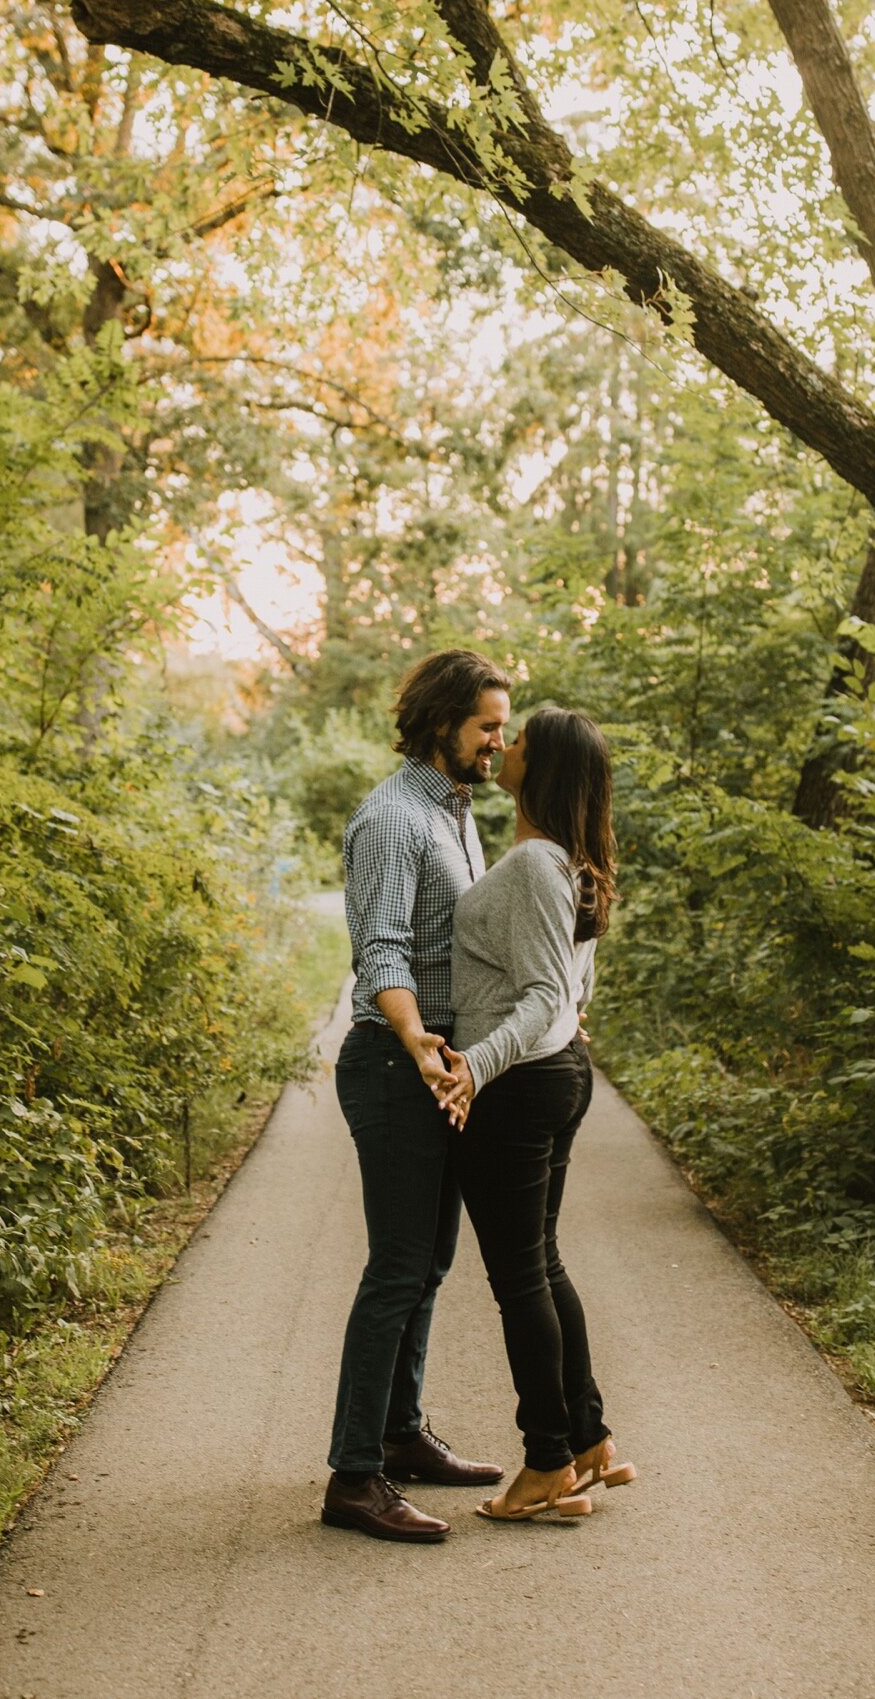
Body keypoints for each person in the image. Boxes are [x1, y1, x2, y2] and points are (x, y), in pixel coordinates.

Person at [321, 649, 511, 1544]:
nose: (498, 743)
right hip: (397, 1066)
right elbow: (383, 952)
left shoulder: (458, 812)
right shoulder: (393, 819)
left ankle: (400, 1434)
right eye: (486, 727)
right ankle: (353, 1477)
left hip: (438, 1062)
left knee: (429, 1261)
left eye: (502, 727)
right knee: (397, 1268)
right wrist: (417, 1042)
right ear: (443, 723)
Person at [436, 703, 635, 1523]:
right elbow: (573, 990)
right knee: (541, 1263)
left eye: (518, 740)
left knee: (520, 1276)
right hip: (558, 1074)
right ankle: (588, 1439)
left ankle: (546, 1461)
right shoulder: (571, 863)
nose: (504, 746)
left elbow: (547, 993)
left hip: (517, 1087)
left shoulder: (532, 866)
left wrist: (472, 1069)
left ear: (541, 768)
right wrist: (560, 1025)